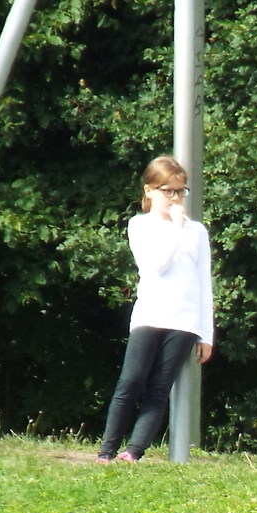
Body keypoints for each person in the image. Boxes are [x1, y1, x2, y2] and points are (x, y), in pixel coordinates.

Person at [95, 155, 214, 463]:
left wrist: (206, 334)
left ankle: (134, 451)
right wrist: (176, 227)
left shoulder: (197, 231)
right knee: (130, 381)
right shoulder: (140, 225)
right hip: (150, 314)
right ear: (149, 191)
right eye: (167, 190)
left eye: (180, 191)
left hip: (185, 320)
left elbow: (204, 282)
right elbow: (155, 267)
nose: (174, 198)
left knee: (159, 389)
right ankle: (106, 451)